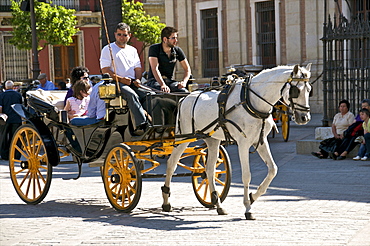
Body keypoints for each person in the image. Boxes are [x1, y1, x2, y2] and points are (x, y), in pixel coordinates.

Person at [100, 22, 149, 134]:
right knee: (132, 95)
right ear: (115, 35)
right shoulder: (108, 49)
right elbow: (105, 70)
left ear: (129, 35)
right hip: (116, 83)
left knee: (150, 95)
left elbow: (138, 69)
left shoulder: (133, 50)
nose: (122, 37)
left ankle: (154, 122)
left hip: (132, 82)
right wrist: (121, 79)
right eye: (119, 34)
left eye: (124, 35)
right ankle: (141, 124)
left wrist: (137, 79)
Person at [146, 26, 192, 93]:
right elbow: (154, 68)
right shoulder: (154, 49)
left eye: (176, 38)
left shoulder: (177, 50)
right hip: (154, 81)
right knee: (162, 93)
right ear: (165, 39)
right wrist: (162, 85)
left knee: (184, 92)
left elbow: (187, 69)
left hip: (169, 82)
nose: (176, 40)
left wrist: (184, 82)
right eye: (173, 38)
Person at [0, 80, 23, 160]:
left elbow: (0, 108)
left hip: (5, 119)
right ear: (13, 87)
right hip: (17, 118)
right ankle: (16, 155)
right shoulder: (18, 95)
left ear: (5, 87)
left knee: (4, 137)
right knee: (16, 137)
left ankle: (5, 155)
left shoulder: (2, 95)